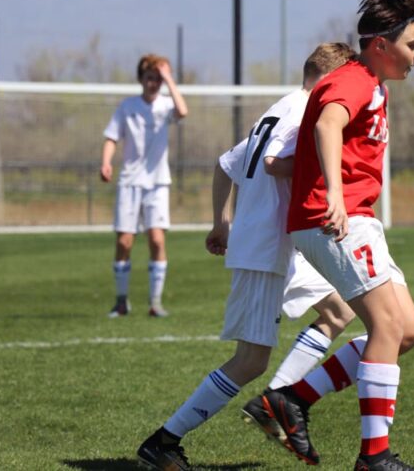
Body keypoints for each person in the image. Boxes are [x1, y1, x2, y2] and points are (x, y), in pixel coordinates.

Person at [136, 43, 356, 471]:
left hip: (283, 243)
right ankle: (163, 441)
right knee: (249, 360)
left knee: (338, 313)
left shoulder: (280, 108)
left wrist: (222, 221)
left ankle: (280, 401)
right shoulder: (306, 111)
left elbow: (225, 164)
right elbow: (275, 163)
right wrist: (331, 173)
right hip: (265, 246)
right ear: (331, 79)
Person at [257, 0, 414, 471]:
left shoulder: (373, 82)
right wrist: (333, 193)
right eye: (412, 45)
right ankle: (373, 458)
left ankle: (292, 399)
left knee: (408, 331)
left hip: (356, 219)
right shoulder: (353, 80)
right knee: (387, 325)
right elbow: (328, 124)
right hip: (336, 219)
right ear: (380, 44)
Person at [100, 54, 189, 318]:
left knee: (157, 239)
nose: (154, 84)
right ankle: (121, 301)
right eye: (150, 78)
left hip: (158, 182)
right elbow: (111, 137)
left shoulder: (165, 105)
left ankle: (155, 302)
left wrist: (169, 78)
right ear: (141, 79)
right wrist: (106, 162)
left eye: (158, 79)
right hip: (129, 181)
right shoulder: (127, 106)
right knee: (125, 241)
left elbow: (183, 111)